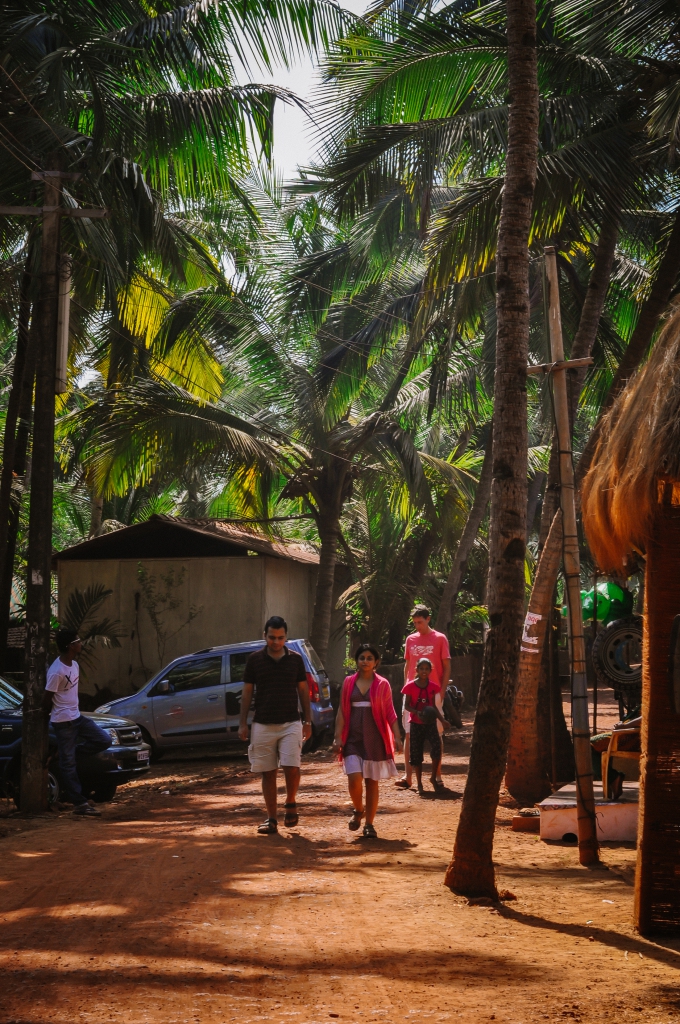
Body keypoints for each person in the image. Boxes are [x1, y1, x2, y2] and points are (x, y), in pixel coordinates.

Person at [238, 616, 312, 835]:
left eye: (280, 638)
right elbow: (247, 691)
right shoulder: (254, 660)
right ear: (265, 636)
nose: (276, 642)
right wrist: (242, 723)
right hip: (262, 723)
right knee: (268, 772)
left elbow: (303, 690)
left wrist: (307, 721)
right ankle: (271, 818)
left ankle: (290, 803)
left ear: (286, 637)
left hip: (291, 721)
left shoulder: (296, 660)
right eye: (272, 637)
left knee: (292, 766)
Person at [333, 644, 402, 839]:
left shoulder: (382, 684)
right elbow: (341, 711)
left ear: (376, 662)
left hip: (375, 738)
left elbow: (390, 712)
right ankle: (358, 809)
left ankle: (369, 824)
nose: (365, 661)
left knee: (372, 783)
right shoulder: (348, 683)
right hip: (353, 738)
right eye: (362, 657)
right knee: (354, 778)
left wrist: (397, 737)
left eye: (369, 658)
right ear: (357, 660)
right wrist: (338, 737)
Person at [43, 629, 111, 816]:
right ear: (70, 646)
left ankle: (64, 755)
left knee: (104, 740)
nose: (81, 644)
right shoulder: (56, 672)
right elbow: (47, 698)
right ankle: (80, 804)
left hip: (77, 717)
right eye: (78, 641)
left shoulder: (74, 665)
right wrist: (49, 715)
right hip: (63, 722)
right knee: (69, 765)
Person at [396, 605, 451, 789]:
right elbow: (408, 665)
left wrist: (441, 692)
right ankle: (408, 776)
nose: (417, 626)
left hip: (433, 694)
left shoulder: (440, 639)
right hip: (413, 694)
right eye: (414, 623)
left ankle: (437, 775)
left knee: (436, 734)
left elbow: (447, 666)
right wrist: (406, 686)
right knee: (410, 734)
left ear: (428, 619)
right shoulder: (410, 639)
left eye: (420, 622)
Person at [402, 658, 451, 795]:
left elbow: (434, 707)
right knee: (416, 754)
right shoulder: (410, 686)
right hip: (416, 724)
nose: (424, 671)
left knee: (437, 748)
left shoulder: (433, 686)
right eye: (421, 668)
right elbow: (406, 705)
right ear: (416, 670)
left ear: (430, 671)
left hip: (430, 723)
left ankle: (433, 778)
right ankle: (419, 783)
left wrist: (442, 720)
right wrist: (416, 712)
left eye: (426, 669)